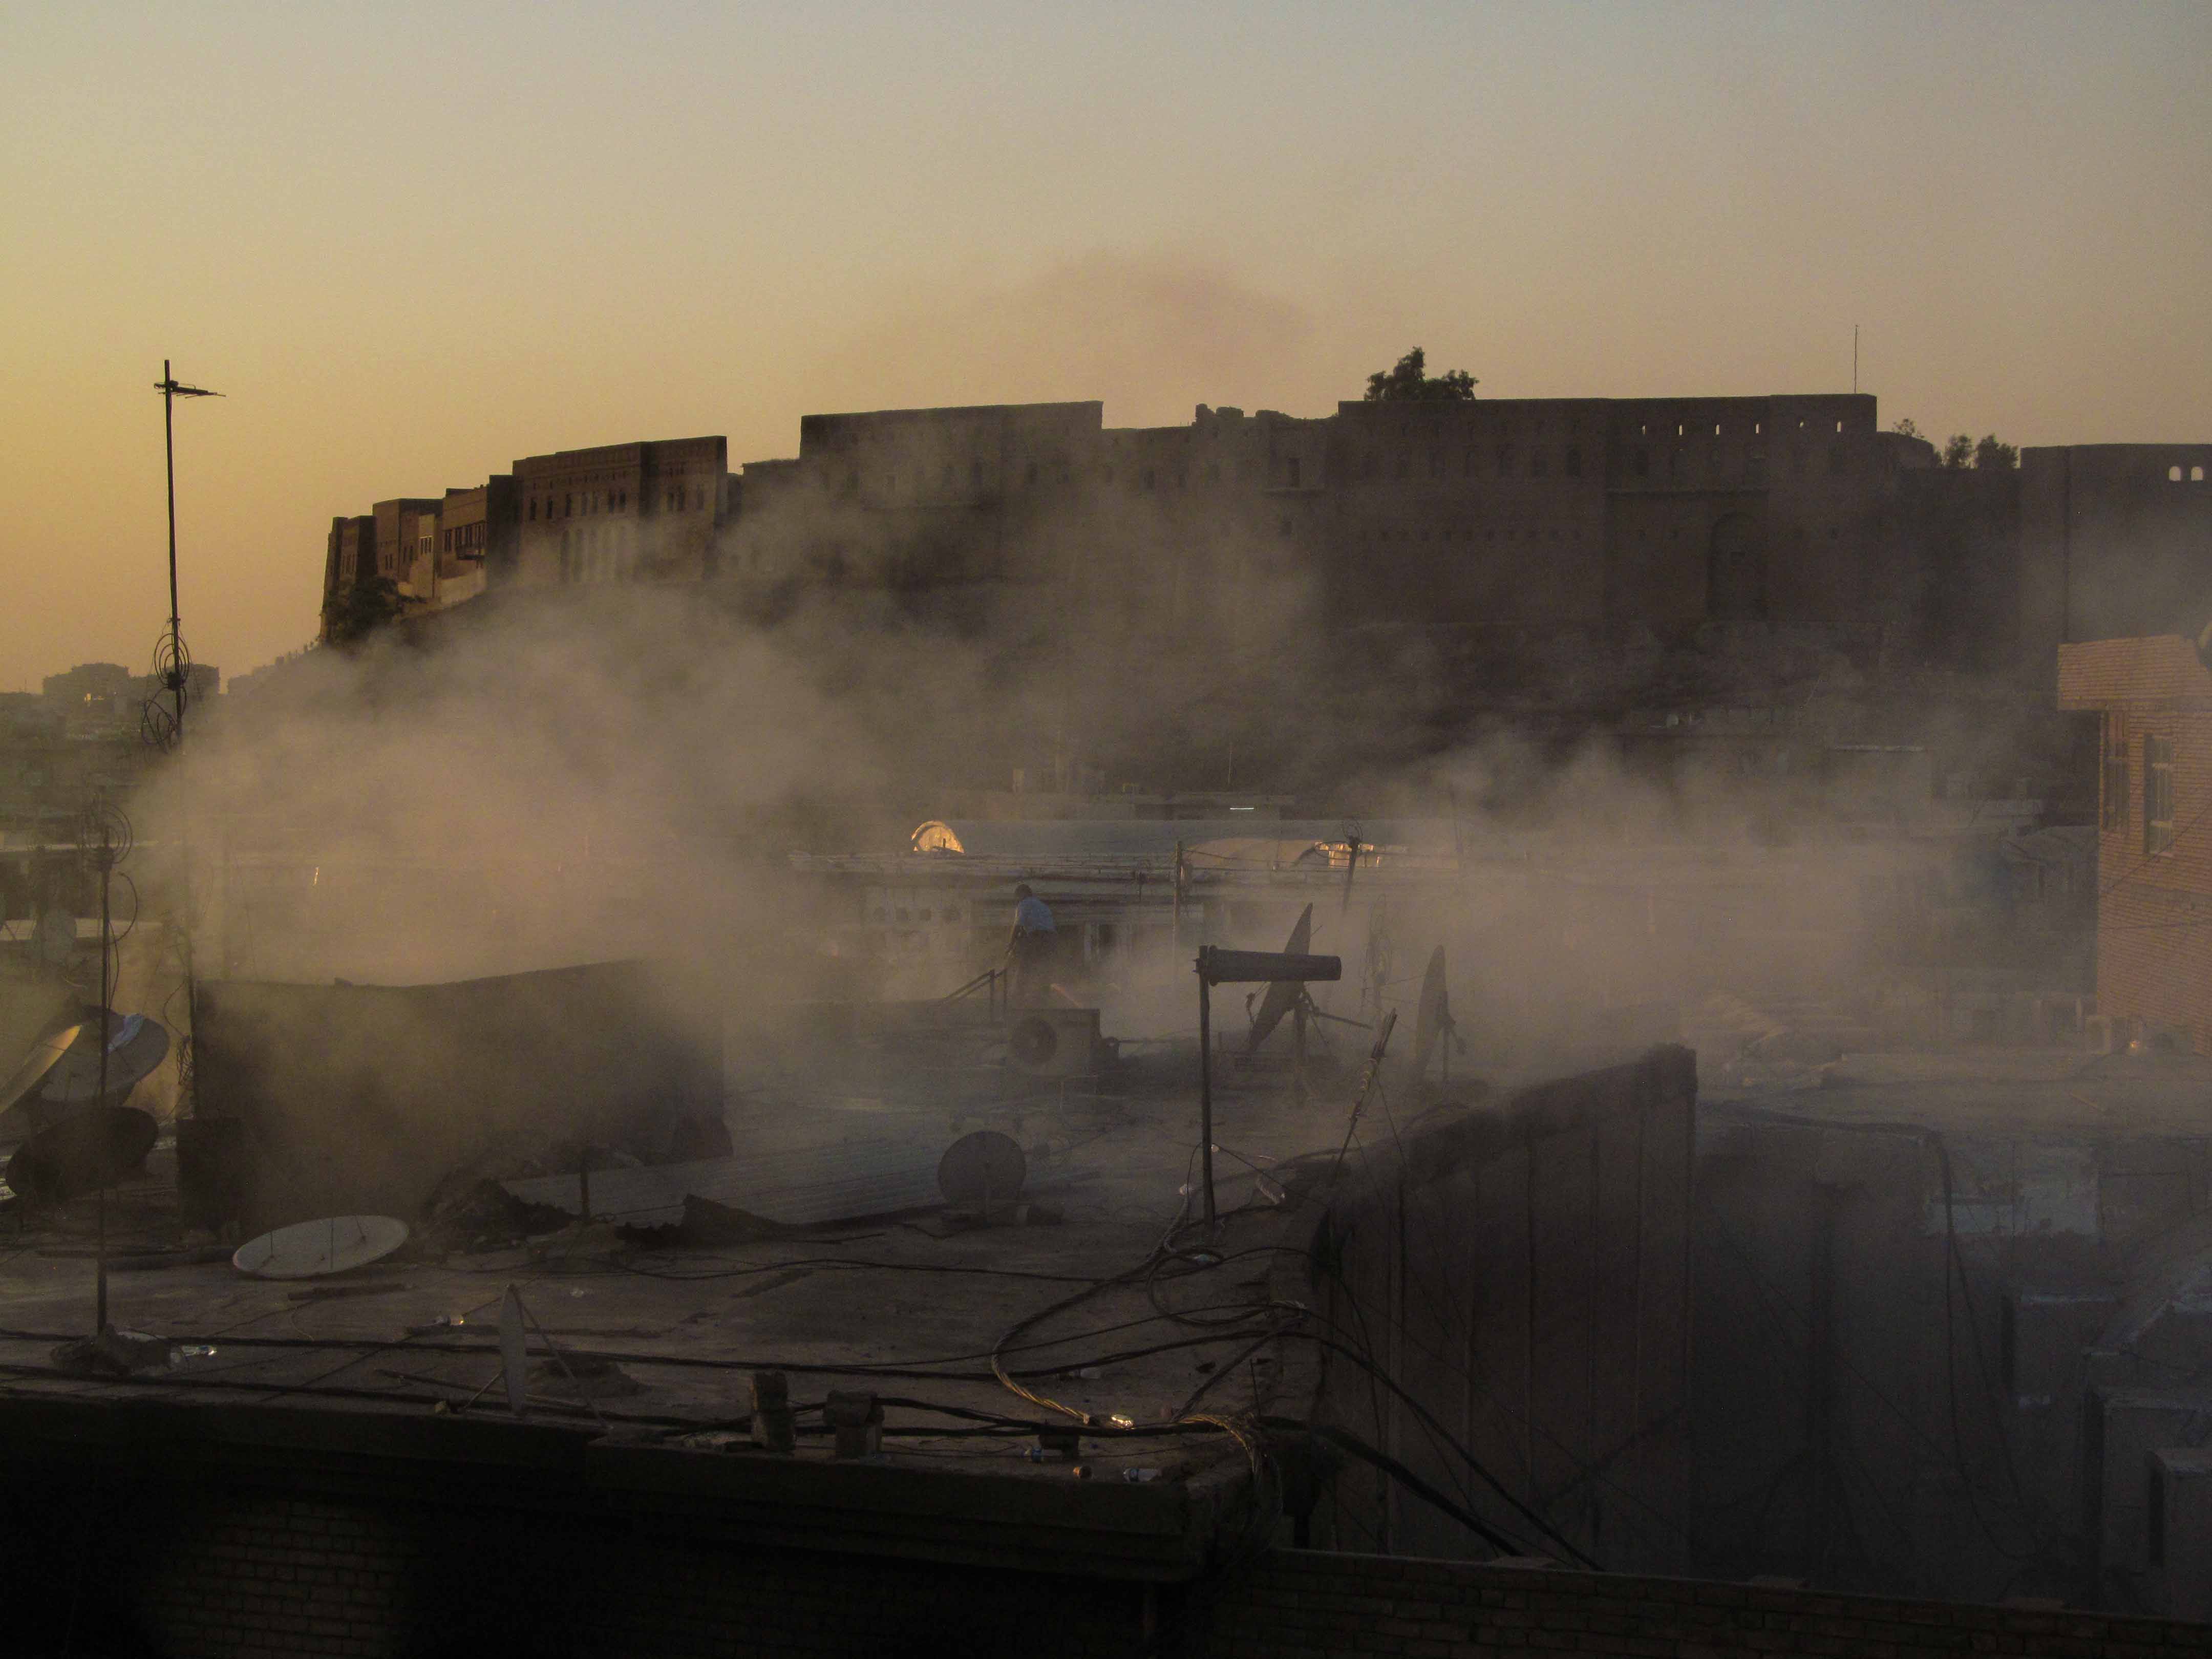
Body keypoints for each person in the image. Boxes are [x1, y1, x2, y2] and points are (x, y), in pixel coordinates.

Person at [1005, 883, 1056, 1008]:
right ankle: (1044, 994)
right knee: (1043, 965)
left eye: (1018, 897)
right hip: (1051, 938)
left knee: (1025, 964)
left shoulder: (1024, 904)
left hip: (1039, 937)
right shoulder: (1041, 905)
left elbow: (1018, 926)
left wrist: (1010, 946)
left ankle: (1019, 995)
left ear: (1022, 894)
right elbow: (1029, 928)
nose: (1017, 900)